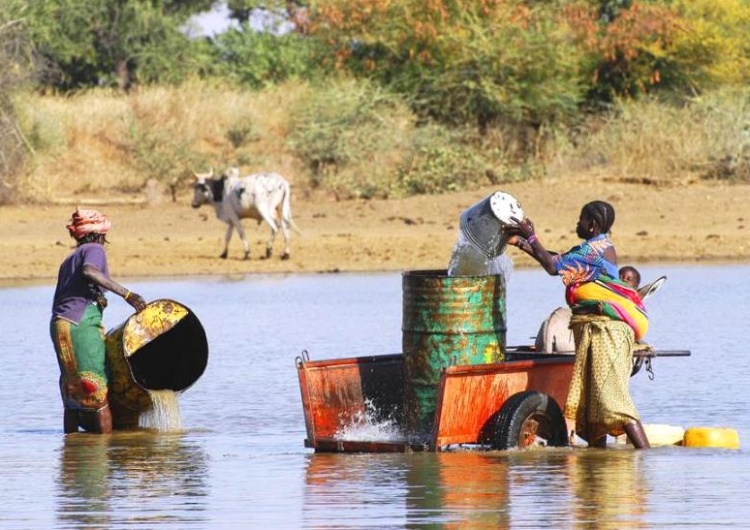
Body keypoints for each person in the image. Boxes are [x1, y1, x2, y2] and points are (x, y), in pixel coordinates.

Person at [508, 200, 651, 449]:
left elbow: (554, 267)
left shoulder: (595, 249)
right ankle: (598, 461)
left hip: (607, 331)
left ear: (592, 224)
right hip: (593, 329)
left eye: (582, 219)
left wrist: (531, 236)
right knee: (592, 404)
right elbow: (559, 260)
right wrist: (522, 242)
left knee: (613, 399)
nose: (578, 223)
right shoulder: (595, 248)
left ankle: (644, 455)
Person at [50, 208, 147, 434]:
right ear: (100, 234)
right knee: (98, 386)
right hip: (80, 325)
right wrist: (127, 294)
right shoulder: (94, 249)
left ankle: (71, 451)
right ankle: (105, 451)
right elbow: (89, 271)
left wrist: (99, 299)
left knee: (72, 389)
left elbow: (72, 292)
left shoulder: (69, 259)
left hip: (60, 324)